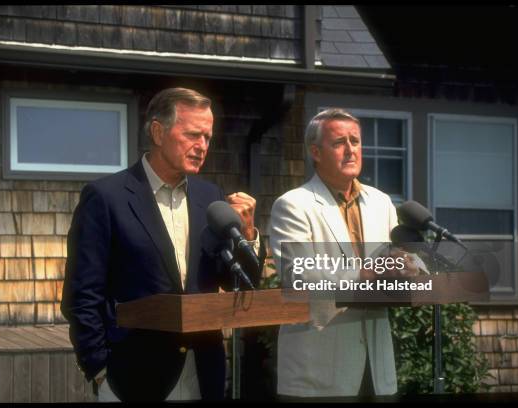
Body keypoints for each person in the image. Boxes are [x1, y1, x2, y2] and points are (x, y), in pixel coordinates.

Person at [61, 88, 266, 402]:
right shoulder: (105, 197)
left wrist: (249, 234)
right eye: (193, 135)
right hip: (130, 377)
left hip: (203, 373)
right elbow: (82, 295)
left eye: (208, 138)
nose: (202, 147)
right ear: (158, 132)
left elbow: (239, 281)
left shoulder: (209, 196)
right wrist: (100, 370)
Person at [269, 108, 420, 399]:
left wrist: (410, 267)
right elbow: (300, 274)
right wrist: (369, 271)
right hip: (319, 372)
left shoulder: (381, 202)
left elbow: (397, 264)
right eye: (339, 143)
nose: (350, 150)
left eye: (355, 141)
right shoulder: (293, 205)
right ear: (315, 151)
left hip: (377, 371)